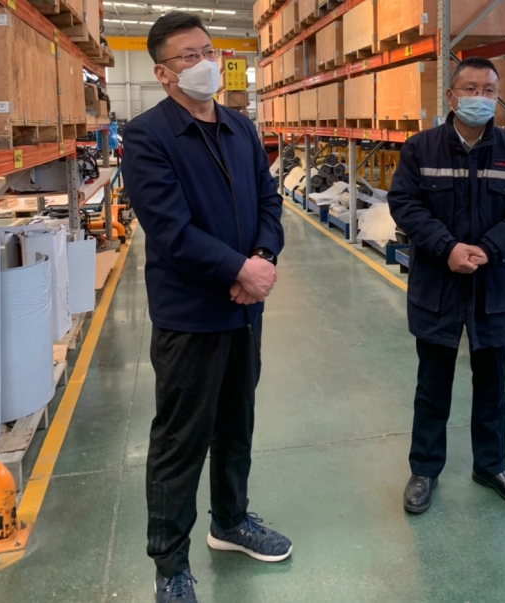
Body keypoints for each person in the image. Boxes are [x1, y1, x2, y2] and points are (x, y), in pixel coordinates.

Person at [122, 12, 289, 603]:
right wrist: (239, 270)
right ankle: (170, 563)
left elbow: (269, 201)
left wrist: (262, 258)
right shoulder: (147, 137)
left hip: (244, 310)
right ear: (163, 73)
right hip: (190, 316)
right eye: (188, 56)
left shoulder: (241, 128)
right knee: (181, 439)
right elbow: (170, 230)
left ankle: (231, 521)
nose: (205, 64)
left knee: (236, 422)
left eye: (209, 51)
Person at [387, 57, 505, 515]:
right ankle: (424, 469)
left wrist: (489, 248)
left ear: (497, 97)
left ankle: (491, 466)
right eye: (471, 89)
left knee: (493, 386)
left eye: (489, 90)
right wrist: (447, 247)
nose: (480, 97)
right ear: (451, 96)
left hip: (491, 285)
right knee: (432, 385)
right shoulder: (420, 149)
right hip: (438, 284)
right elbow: (405, 203)